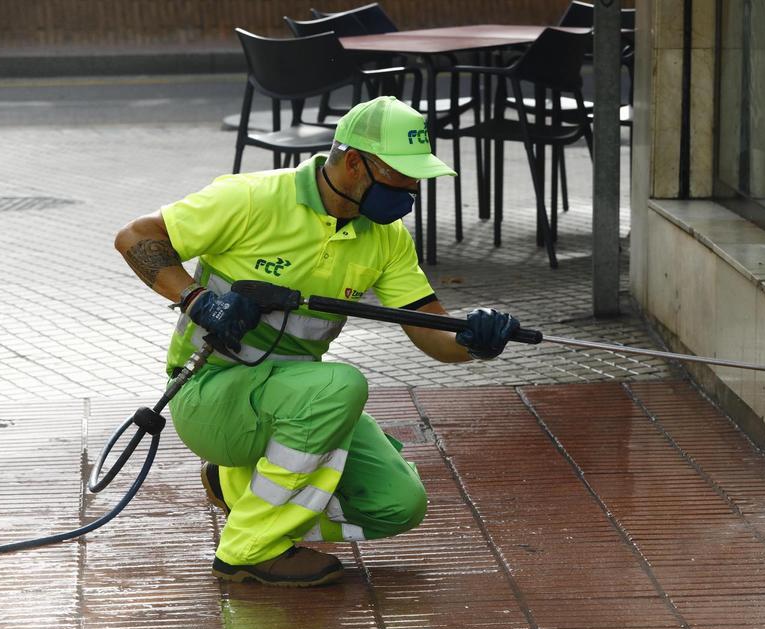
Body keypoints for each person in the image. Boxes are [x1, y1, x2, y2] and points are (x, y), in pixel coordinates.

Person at [113, 97, 519, 587]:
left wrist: (476, 340)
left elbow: (431, 330)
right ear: (354, 163)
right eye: (402, 174)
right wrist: (198, 300)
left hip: (294, 400)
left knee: (398, 505)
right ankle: (249, 547)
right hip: (210, 393)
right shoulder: (252, 198)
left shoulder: (386, 238)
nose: (412, 188)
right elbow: (135, 236)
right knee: (340, 385)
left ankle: (237, 485)